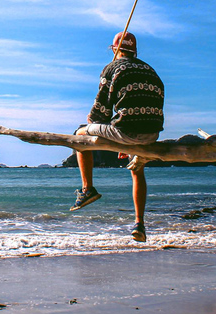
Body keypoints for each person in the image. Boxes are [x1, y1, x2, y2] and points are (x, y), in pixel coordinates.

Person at [70, 31, 164, 243]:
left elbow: (100, 112)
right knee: (137, 167)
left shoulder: (112, 68)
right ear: (135, 50)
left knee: (79, 134)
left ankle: (87, 189)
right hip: (152, 133)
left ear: (114, 49)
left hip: (127, 131)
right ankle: (139, 224)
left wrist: (94, 122)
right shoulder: (150, 70)